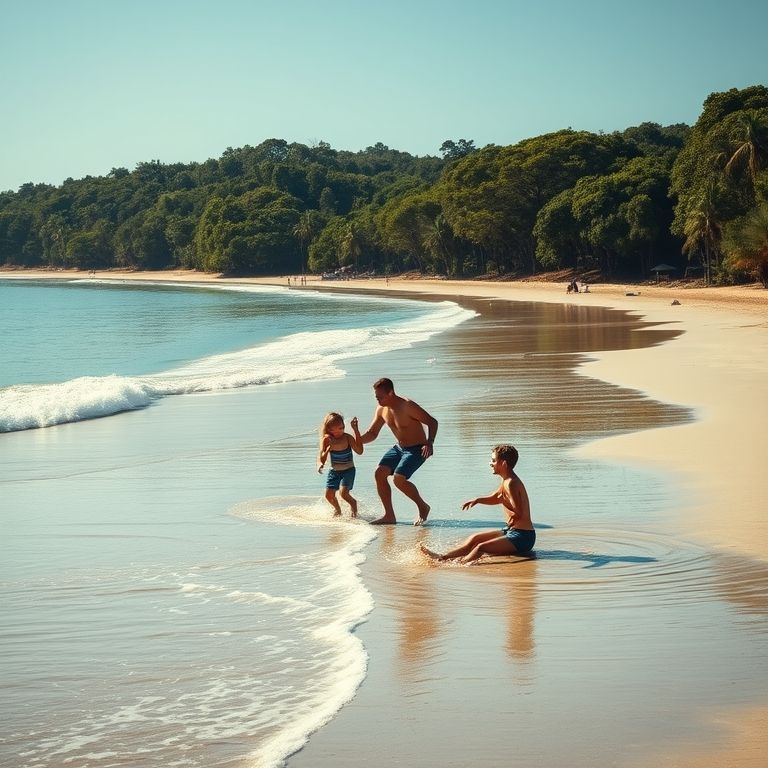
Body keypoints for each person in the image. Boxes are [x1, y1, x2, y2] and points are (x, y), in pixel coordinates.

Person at [420, 444, 535, 564]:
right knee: (474, 539)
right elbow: (497, 498)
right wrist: (478, 500)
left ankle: (458, 564)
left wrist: (512, 521)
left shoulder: (511, 483)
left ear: (504, 464)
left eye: (494, 460)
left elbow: (519, 512)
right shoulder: (506, 480)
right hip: (511, 531)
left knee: (481, 547)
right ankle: (442, 557)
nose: (490, 463)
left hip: (523, 538)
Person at [359, 377, 437, 526]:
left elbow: (432, 422)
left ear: (391, 393)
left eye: (380, 397)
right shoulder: (382, 409)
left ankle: (423, 506)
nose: (378, 400)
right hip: (399, 448)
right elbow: (372, 433)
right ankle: (389, 515)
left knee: (398, 479)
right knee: (379, 473)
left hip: (417, 449)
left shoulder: (407, 406)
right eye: (376, 397)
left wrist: (430, 442)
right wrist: (353, 441)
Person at [317, 412, 363, 518]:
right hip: (334, 471)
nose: (338, 432)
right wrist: (327, 450)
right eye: (334, 429)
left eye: (341, 428)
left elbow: (360, 451)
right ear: (329, 429)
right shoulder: (327, 439)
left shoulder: (347, 438)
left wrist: (356, 430)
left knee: (344, 494)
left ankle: (353, 507)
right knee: (328, 495)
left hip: (349, 470)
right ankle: (338, 510)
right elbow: (322, 459)